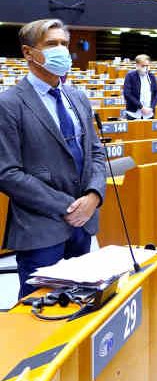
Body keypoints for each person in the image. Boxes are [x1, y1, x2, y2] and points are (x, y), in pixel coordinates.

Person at [0, 19, 106, 298]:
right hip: (40, 228)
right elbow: (7, 173)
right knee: (41, 314)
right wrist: (69, 207)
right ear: (28, 53)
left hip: (83, 226)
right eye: (51, 44)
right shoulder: (9, 104)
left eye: (64, 44)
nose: (61, 51)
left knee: (80, 306)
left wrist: (94, 195)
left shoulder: (77, 97)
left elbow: (96, 151)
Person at [123, 54, 157, 119]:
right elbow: (127, 94)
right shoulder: (130, 76)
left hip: (149, 113)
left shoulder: (151, 76)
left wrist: (151, 107)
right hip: (133, 114)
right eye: (143, 66)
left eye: (147, 66)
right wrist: (141, 107)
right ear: (137, 65)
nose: (146, 68)